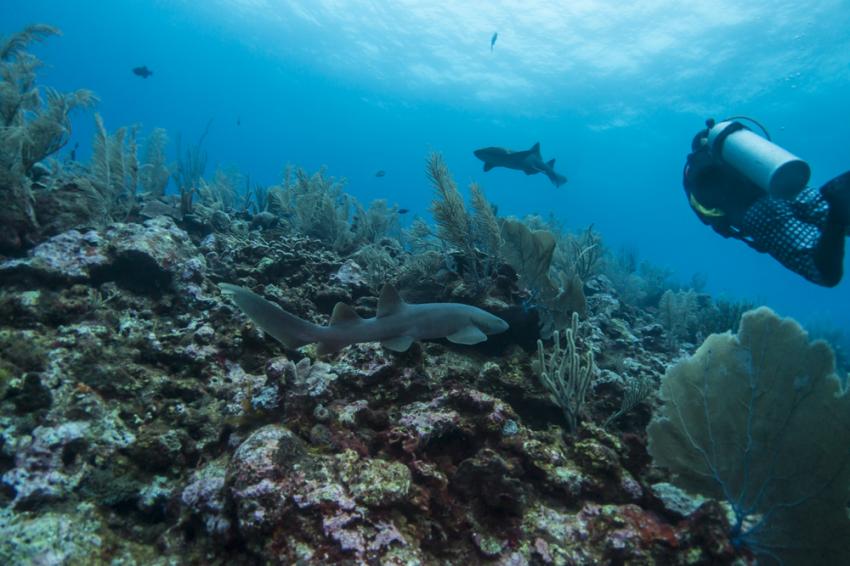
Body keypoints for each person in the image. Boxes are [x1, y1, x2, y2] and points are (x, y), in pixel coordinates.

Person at [683, 118, 850, 287]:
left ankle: (836, 211)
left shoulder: (693, 173)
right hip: (788, 185)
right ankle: (837, 195)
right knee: (837, 205)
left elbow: (709, 216)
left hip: (758, 212)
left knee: (823, 272)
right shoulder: (738, 148)